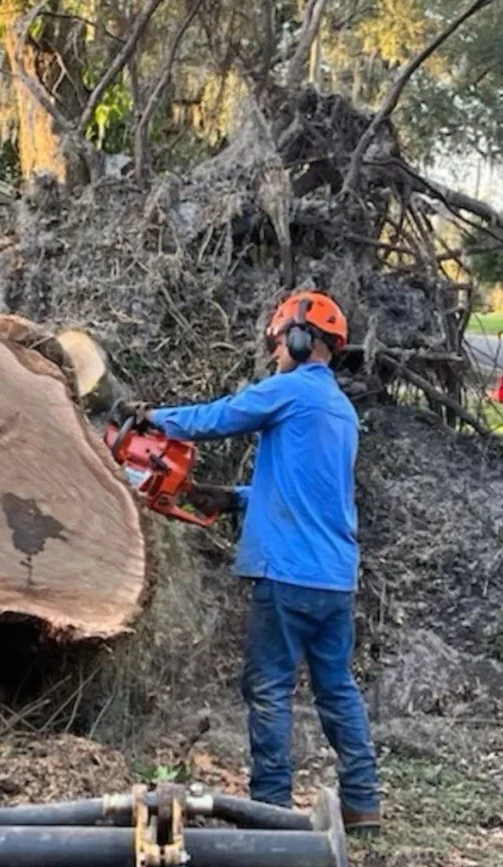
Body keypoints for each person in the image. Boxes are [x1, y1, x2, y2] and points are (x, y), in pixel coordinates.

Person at [120, 289, 381, 833]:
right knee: (336, 687)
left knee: (268, 687)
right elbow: (311, 490)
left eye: (279, 341)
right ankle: (362, 803)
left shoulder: (289, 391)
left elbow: (220, 417)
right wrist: (234, 497)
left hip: (285, 575)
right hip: (335, 579)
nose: (276, 353)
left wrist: (153, 418)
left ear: (300, 338)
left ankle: (270, 811)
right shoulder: (341, 410)